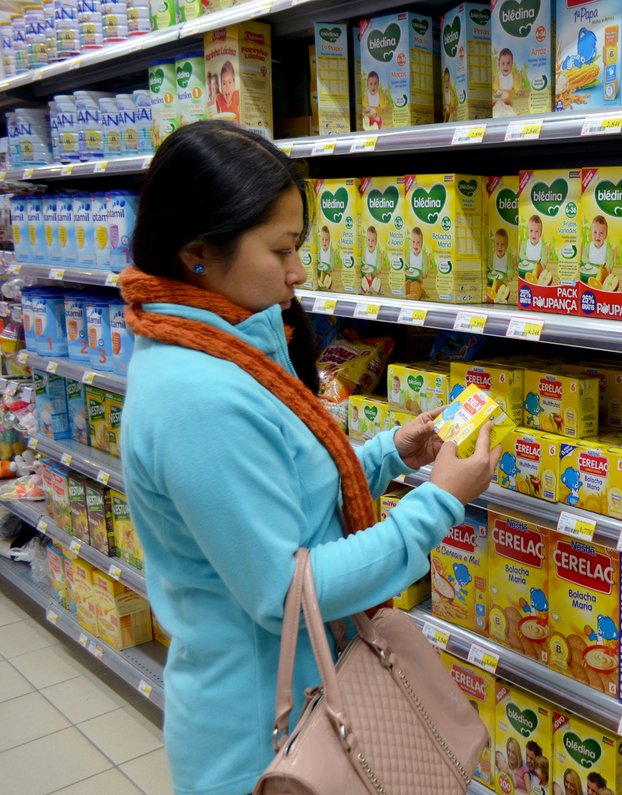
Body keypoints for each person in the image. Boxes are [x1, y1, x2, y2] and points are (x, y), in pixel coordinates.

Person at [119, 121, 499, 795]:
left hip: (311, 693)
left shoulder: (230, 346)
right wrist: (438, 503)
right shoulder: (196, 394)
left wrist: (387, 453)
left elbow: (281, 485)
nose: (298, 270)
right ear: (197, 253)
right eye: (282, 248)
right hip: (263, 736)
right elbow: (283, 589)